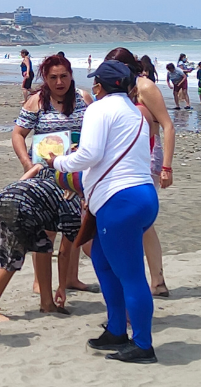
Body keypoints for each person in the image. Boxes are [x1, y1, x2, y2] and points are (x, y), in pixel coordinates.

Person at [41, 60, 158, 363]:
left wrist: (57, 163)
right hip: (143, 196)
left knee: (131, 275)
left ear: (100, 86)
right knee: (104, 262)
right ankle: (117, 329)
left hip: (119, 201)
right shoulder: (136, 113)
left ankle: (143, 344)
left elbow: (89, 155)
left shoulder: (99, 109)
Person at [10, 53, 97, 293]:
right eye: (53, 77)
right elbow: (18, 134)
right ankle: (41, 281)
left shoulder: (83, 99)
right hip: (45, 176)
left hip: (76, 175)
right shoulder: (36, 102)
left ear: (71, 76)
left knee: (75, 228)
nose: (59, 82)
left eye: (64, 76)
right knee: (46, 231)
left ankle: (71, 277)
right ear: (45, 79)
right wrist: (27, 164)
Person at [108, 47, 175, 298]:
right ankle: (154, 281)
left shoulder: (144, 87)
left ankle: (156, 281)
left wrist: (167, 167)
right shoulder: (118, 87)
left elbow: (168, 126)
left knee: (141, 221)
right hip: (126, 158)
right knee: (140, 222)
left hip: (149, 155)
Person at [0, 174, 83, 322]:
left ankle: (47, 303)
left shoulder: (68, 192)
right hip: (18, 204)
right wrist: (62, 287)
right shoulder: (74, 209)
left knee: (44, 247)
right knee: (13, 258)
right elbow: (64, 253)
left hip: (11, 196)